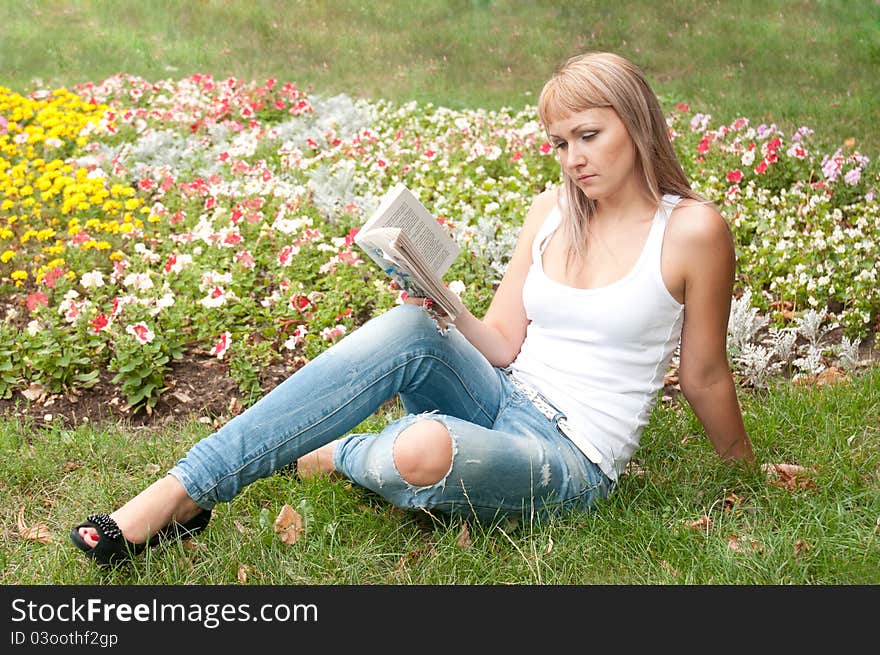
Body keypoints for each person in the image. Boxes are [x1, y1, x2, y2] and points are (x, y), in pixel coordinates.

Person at [71, 51, 755, 566]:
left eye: (588, 135)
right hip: (499, 393)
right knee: (407, 327)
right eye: (558, 143)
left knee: (424, 445)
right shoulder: (551, 211)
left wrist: (743, 473)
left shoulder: (693, 231)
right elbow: (503, 343)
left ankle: (338, 452)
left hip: (572, 455)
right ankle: (182, 493)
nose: (572, 158)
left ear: (636, 125)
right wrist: (441, 301)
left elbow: (704, 375)